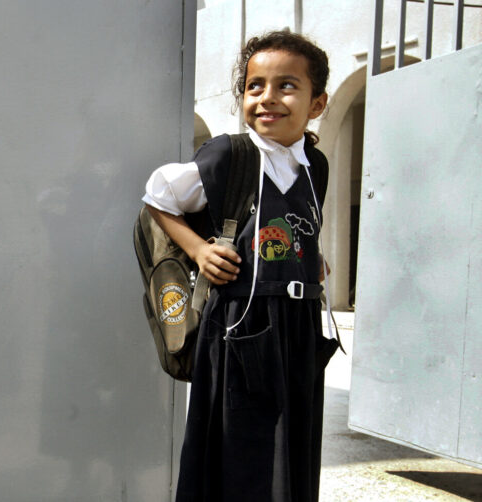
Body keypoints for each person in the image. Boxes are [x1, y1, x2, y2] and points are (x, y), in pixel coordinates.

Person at [143, 30, 338, 501]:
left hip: (297, 327)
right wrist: (198, 249)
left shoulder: (316, 165)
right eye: (255, 86)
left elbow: (293, 223)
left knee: (291, 442)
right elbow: (159, 196)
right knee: (236, 449)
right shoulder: (229, 156)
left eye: (286, 86)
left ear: (316, 103)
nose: (267, 98)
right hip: (238, 327)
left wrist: (310, 257)